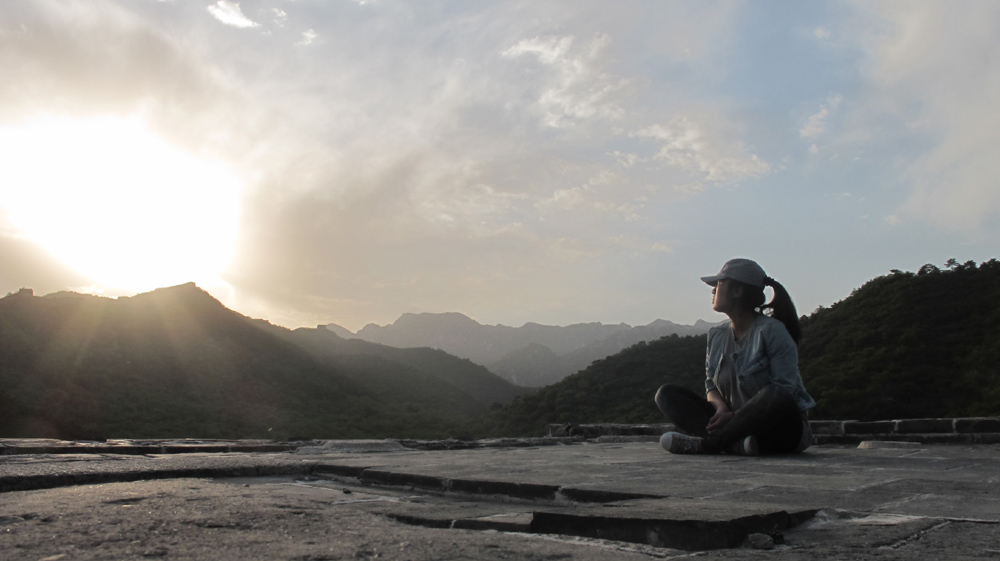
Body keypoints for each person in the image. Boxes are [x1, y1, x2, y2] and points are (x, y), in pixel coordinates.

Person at [654, 258, 815, 455]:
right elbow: (711, 385)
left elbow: (785, 391)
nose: (713, 290)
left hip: (777, 430)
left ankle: (711, 444)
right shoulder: (717, 334)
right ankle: (733, 443)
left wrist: (733, 416)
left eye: (719, 283)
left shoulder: (772, 331)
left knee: (776, 393)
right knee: (666, 394)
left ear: (737, 291)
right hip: (732, 426)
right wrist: (721, 409)